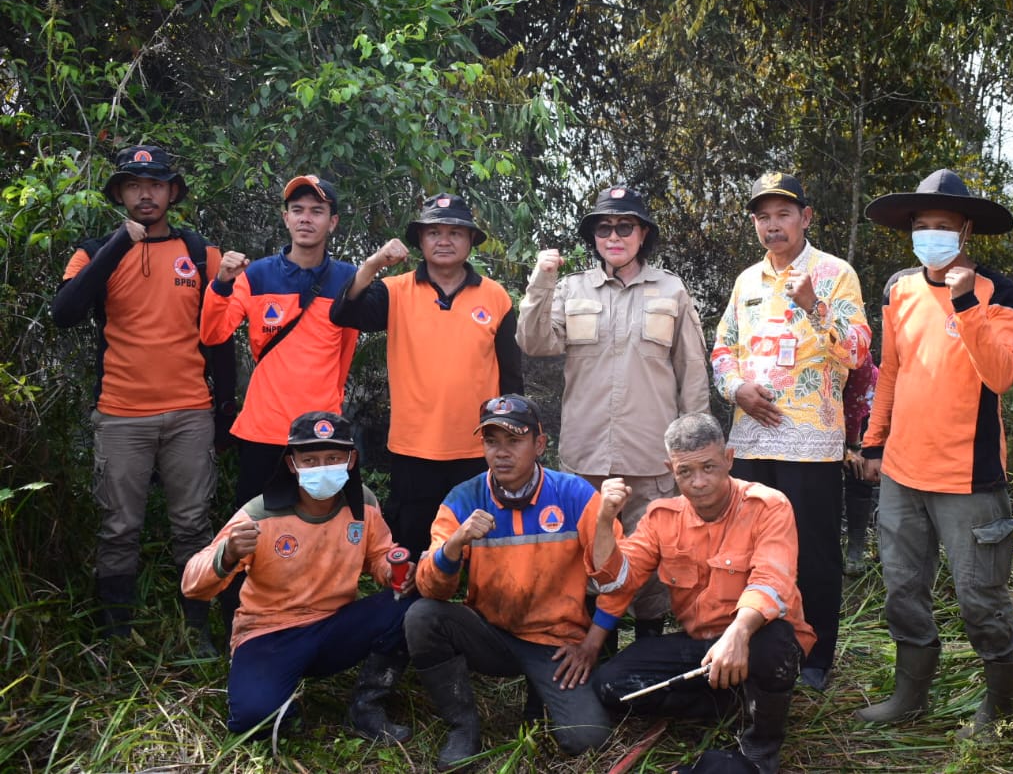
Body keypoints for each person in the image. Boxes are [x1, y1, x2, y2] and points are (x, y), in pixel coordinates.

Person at [857, 168, 1013, 737]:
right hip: (903, 470)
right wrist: (873, 441)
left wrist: (965, 304)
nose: (932, 235)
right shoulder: (899, 288)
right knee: (903, 587)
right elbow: (891, 373)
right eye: (923, 226)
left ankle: (1000, 702)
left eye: (944, 226)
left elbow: (1003, 376)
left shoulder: (997, 291)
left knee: (980, 594)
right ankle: (911, 695)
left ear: (966, 231)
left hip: (969, 475)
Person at [51, 144, 233, 653]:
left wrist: (224, 415)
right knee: (118, 528)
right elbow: (64, 313)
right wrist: (117, 245)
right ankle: (116, 635)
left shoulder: (201, 253)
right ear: (120, 195)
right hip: (120, 414)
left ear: (172, 192)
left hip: (189, 413)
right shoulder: (92, 251)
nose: (145, 193)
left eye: (155, 184)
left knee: (193, 526)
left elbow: (219, 339)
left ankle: (196, 630)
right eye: (134, 185)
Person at [517, 184, 710, 638]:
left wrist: (694, 449)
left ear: (642, 233)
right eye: (605, 228)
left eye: (625, 226)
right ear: (595, 238)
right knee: (585, 557)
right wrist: (541, 281)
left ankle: (645, 662)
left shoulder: (671, 290)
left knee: (652, 560)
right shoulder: (570, 288)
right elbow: (535, 342)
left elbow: (693, 370)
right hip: (586, 459)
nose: (615, 235)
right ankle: (590, 663)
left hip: (651, 457)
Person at [710, 171, 872, 690]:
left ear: (806, 218)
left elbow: (858, 351)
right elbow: (722, 351)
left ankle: (816, 657)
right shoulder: (745, 281)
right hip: (750, 439)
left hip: (811, 442)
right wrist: (736, 390)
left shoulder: (835, 273)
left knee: (814, 550)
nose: (773, 225)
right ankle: (753, 647)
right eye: (763, 216)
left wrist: (813, 305)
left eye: (783, 214)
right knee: (748, 545)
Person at [591, 413, 814, 774]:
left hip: (757, 636)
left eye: (709, 467)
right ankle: (732, 701)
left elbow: (772, 580)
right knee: (610, 685)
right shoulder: (661, 516)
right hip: (701, 645)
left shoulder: (768, 505)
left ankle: (761, 746)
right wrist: (604, 520)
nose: (699, 482)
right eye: (685, 472)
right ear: (670, 469)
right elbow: (616, 581)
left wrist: (738, 633)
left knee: (772, 642)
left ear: (729, 458)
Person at [404, 394, 619, 770]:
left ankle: (542, 691)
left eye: (514, 441)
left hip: (554, 643)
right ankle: (463, 727)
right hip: (490, 634)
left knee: (587, 738)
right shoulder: (464, 499)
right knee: (423, 616)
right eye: (491, 441)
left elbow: (619, 576)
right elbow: (431, 590)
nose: (501, 453)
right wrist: (455, 545)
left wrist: (591, 642)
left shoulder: (575, 494)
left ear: (539, 444)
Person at [181, 411, 417, 742]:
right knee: (255, 723)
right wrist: (228, 554)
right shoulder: (260, 513)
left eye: (333, 458)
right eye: (311, 459)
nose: (322, 467)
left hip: (335, 626)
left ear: (350, 460)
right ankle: (277, 704)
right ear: (292, 464)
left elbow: (379, 555)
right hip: (268, 633)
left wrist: (394, 571)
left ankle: (367, 707)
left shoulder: (363, 505)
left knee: (412, 606)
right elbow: (192, 584)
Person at [200, 174, 359, 641]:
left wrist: (331, 406)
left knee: (323, 531)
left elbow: (345, 351)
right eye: (297, 210)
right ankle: (239, 623)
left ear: (332, 221)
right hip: (264, 432)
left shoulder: (346, 278)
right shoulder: (258, 275)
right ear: (285, 218)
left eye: (316, 211)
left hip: (323, 438)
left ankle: (314, 623)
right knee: (251, 532)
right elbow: (213, 334)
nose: (305, 219)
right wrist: (222, 283)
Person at [330, 193, 522, 556]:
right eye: (434, 232)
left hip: (476, 447)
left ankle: (475, 609)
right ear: (420, 240)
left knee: (482, 545)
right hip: (413, 447)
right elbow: (343, 313)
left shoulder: (495, 296)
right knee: (414, 542)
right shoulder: (395, 291)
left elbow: (511, 377)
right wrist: (374, 263)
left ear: (470, 241)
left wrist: (510, 439)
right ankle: (411, 609)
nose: (444, 240)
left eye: (455, 232)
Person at [842, 358, 880, 577]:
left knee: (860, 473)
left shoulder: (855, 348)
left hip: (865, 407)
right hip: (828, 411)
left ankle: (856, 551)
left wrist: (853, 446)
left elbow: (856, 404)